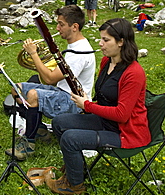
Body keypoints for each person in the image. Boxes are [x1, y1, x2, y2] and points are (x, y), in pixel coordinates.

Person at [46, 18, 150, 194]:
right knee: (59, 122)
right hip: (106, 121)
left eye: (106, 40)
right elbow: (105, 100)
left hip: (124, 132)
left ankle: (75, 186)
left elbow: (122, 115)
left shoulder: (134, 73)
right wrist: (89, 101)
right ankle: (75, 169)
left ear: (121, 42)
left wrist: (87, 105)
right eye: (101, 39)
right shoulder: (106, 62)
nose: (101, 44)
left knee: (70, 138)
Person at [5, 5, 96, 160]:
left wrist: (34, 53)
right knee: (17, 89)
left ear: (74, 27)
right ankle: (39, 129)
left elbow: (50, 79)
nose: (57, 28)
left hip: (73, 101)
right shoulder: (74, 45)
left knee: (33, 95)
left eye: (61, 24)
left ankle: (29, 145)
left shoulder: (79, 53)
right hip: (61, 92)